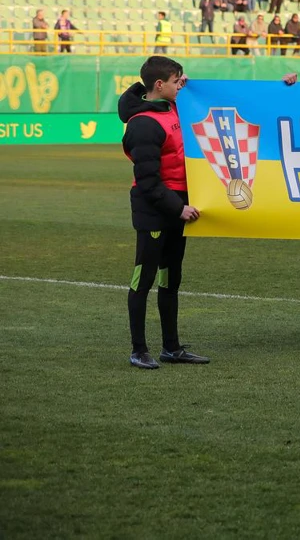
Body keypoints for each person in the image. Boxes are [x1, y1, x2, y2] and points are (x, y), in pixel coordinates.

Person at [117, 56, 207, 369]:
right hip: (155, 209)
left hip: (179, 207)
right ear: (159, 85)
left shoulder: (173, 107)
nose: (180, 86)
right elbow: (147, 181)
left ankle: (171, 347)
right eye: (175, 81)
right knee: (144, 277)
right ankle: (138, 349)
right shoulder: (143, 124)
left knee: (171, 277)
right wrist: (177, 207)